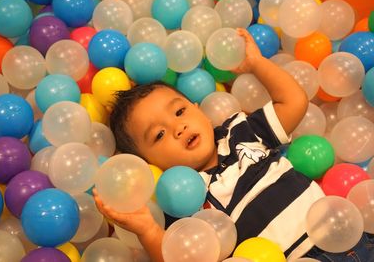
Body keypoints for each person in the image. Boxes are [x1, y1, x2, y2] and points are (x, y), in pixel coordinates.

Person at [93, 28, 374, 262]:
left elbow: (294, 102)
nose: (178, 128)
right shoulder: (178, 199)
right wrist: (147, 231)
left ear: (197, 108)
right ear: (148, 162)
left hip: (345, 232)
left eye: (179, 112)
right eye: (159, 135)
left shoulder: (238, 132)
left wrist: (256, 64)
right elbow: (177, 256)